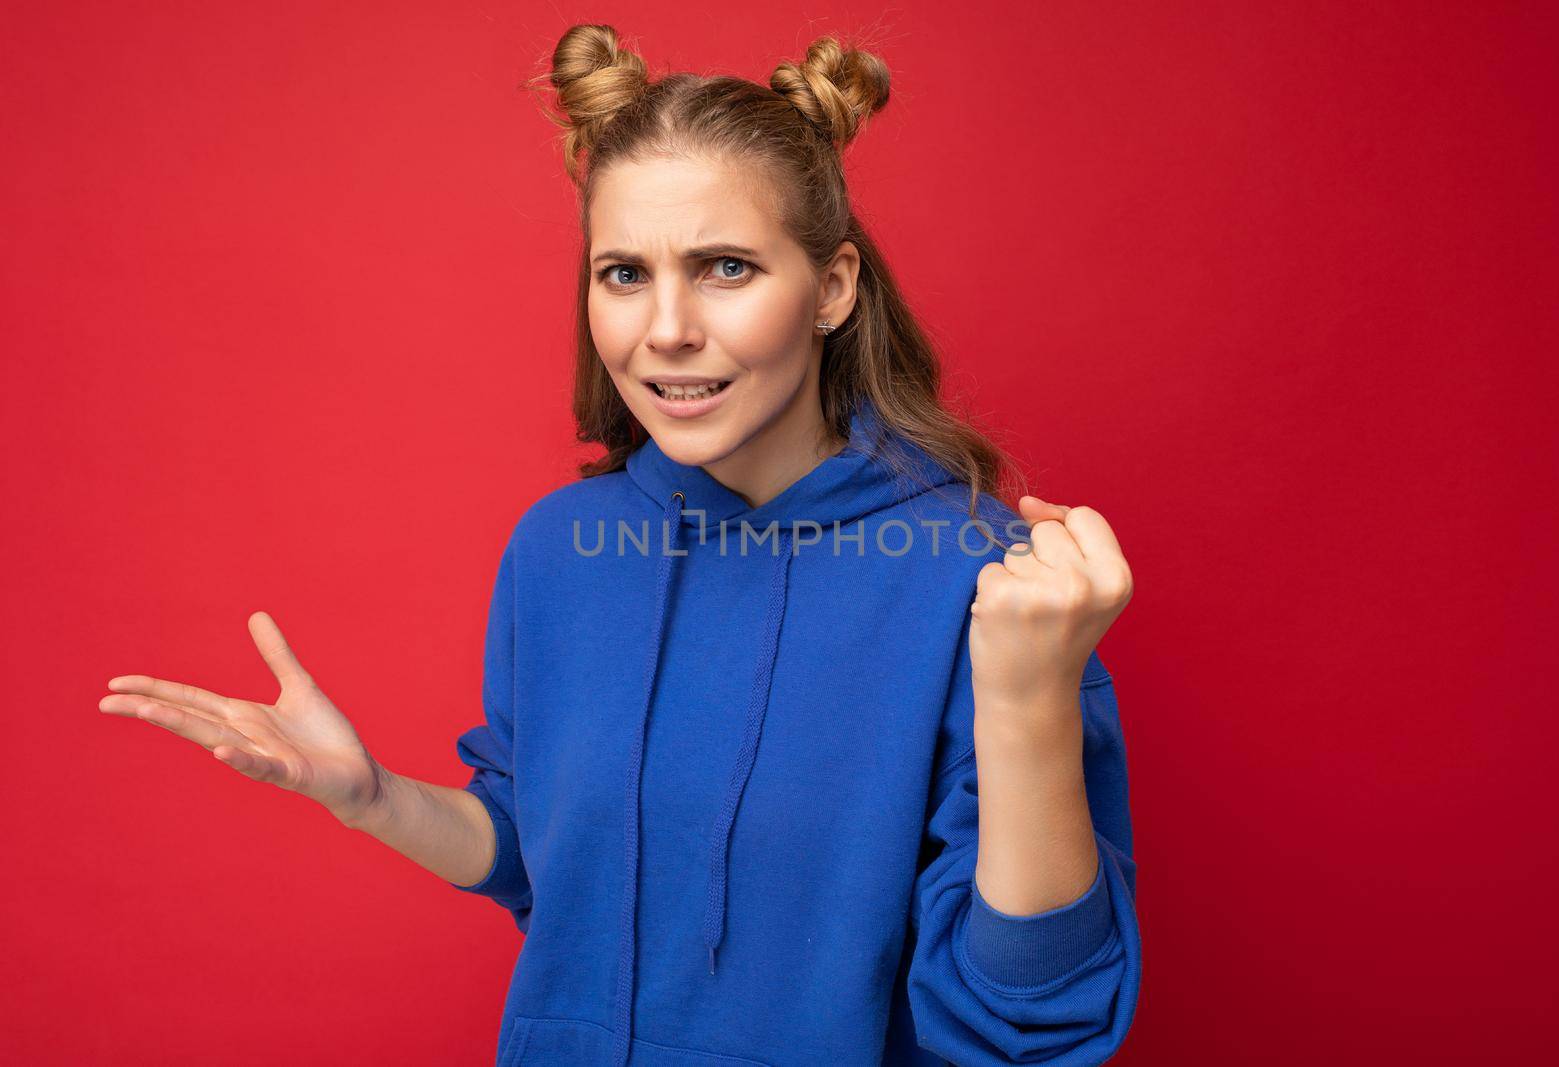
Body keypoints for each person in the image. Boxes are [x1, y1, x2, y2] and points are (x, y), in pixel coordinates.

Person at [99, 24, 1140, 1067]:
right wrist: (371, 797)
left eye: (724, 266)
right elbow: (537, 862)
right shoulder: (560, 552)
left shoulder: (988, 583)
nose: (667, 327)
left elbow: (1033, 1017)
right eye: (624, 273)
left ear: (832, 286)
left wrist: (1026, 699)